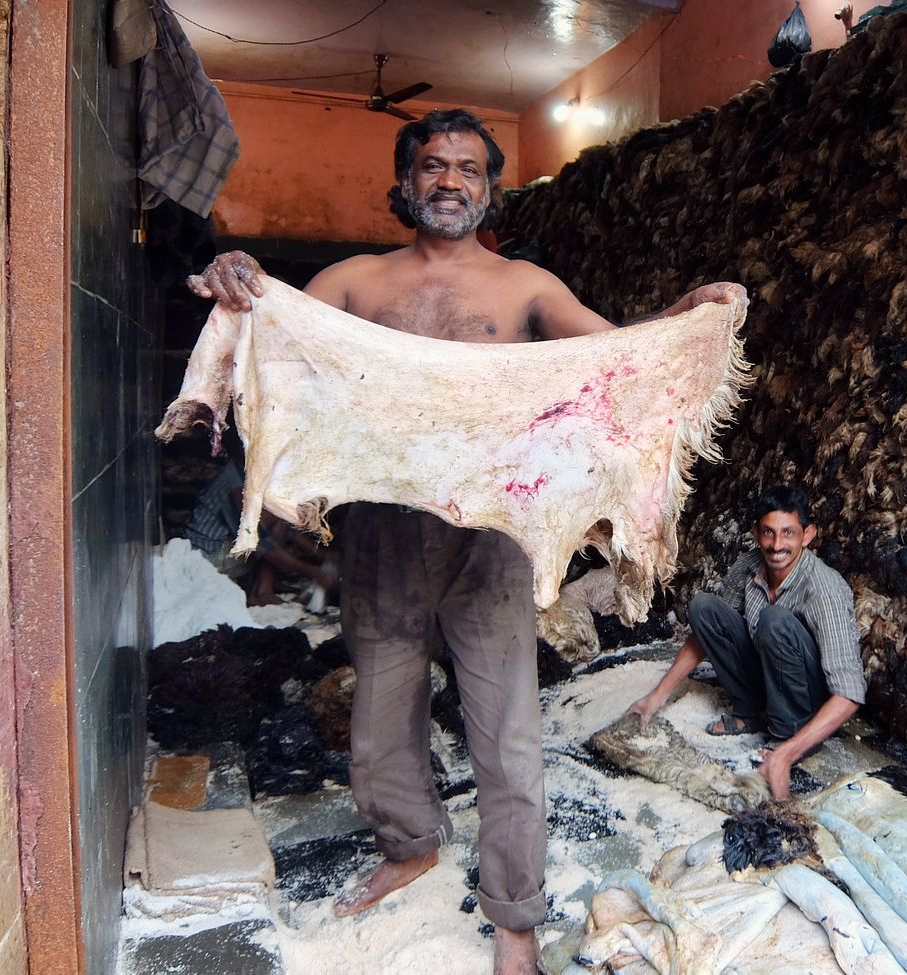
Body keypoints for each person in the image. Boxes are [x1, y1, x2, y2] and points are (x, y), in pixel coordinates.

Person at [189, 108, 745, 975]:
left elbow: (617, 359)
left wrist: (681, 316)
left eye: (468, 169)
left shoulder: (526, 287)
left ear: (489, 190)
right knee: (379, 718)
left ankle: (515, 912)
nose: (449, 181)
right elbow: (277, 325)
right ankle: (409, 843)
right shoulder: (358, 281)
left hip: (490, 541)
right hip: (382, 537)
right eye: (433, 167)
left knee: (506, 731)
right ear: (405, 186)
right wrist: (239, 274)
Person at [627, 484, 865, 800]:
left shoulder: (824, 589)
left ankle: (787, 736)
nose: (777, 545)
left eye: (788, 533)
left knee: (774, 619)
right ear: (756, 533)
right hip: (769, 676)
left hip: (809, 700)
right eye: (768, 533)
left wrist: (788, 754)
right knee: (704, 607)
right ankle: (753, 712)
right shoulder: (751, 565)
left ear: (807, 535)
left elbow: (850, 693)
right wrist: (657, 695)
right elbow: (710, 633)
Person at [185, 453, 336, 607]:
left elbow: (285, 529)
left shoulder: (249, 472)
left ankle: (264, 588)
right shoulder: (236, 484)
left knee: (280, 515)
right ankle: (261, 593)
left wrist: (323, 556)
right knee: (275, 523)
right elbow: (263, 544)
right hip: (208, 559)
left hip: (226, 549)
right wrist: (312, 572)